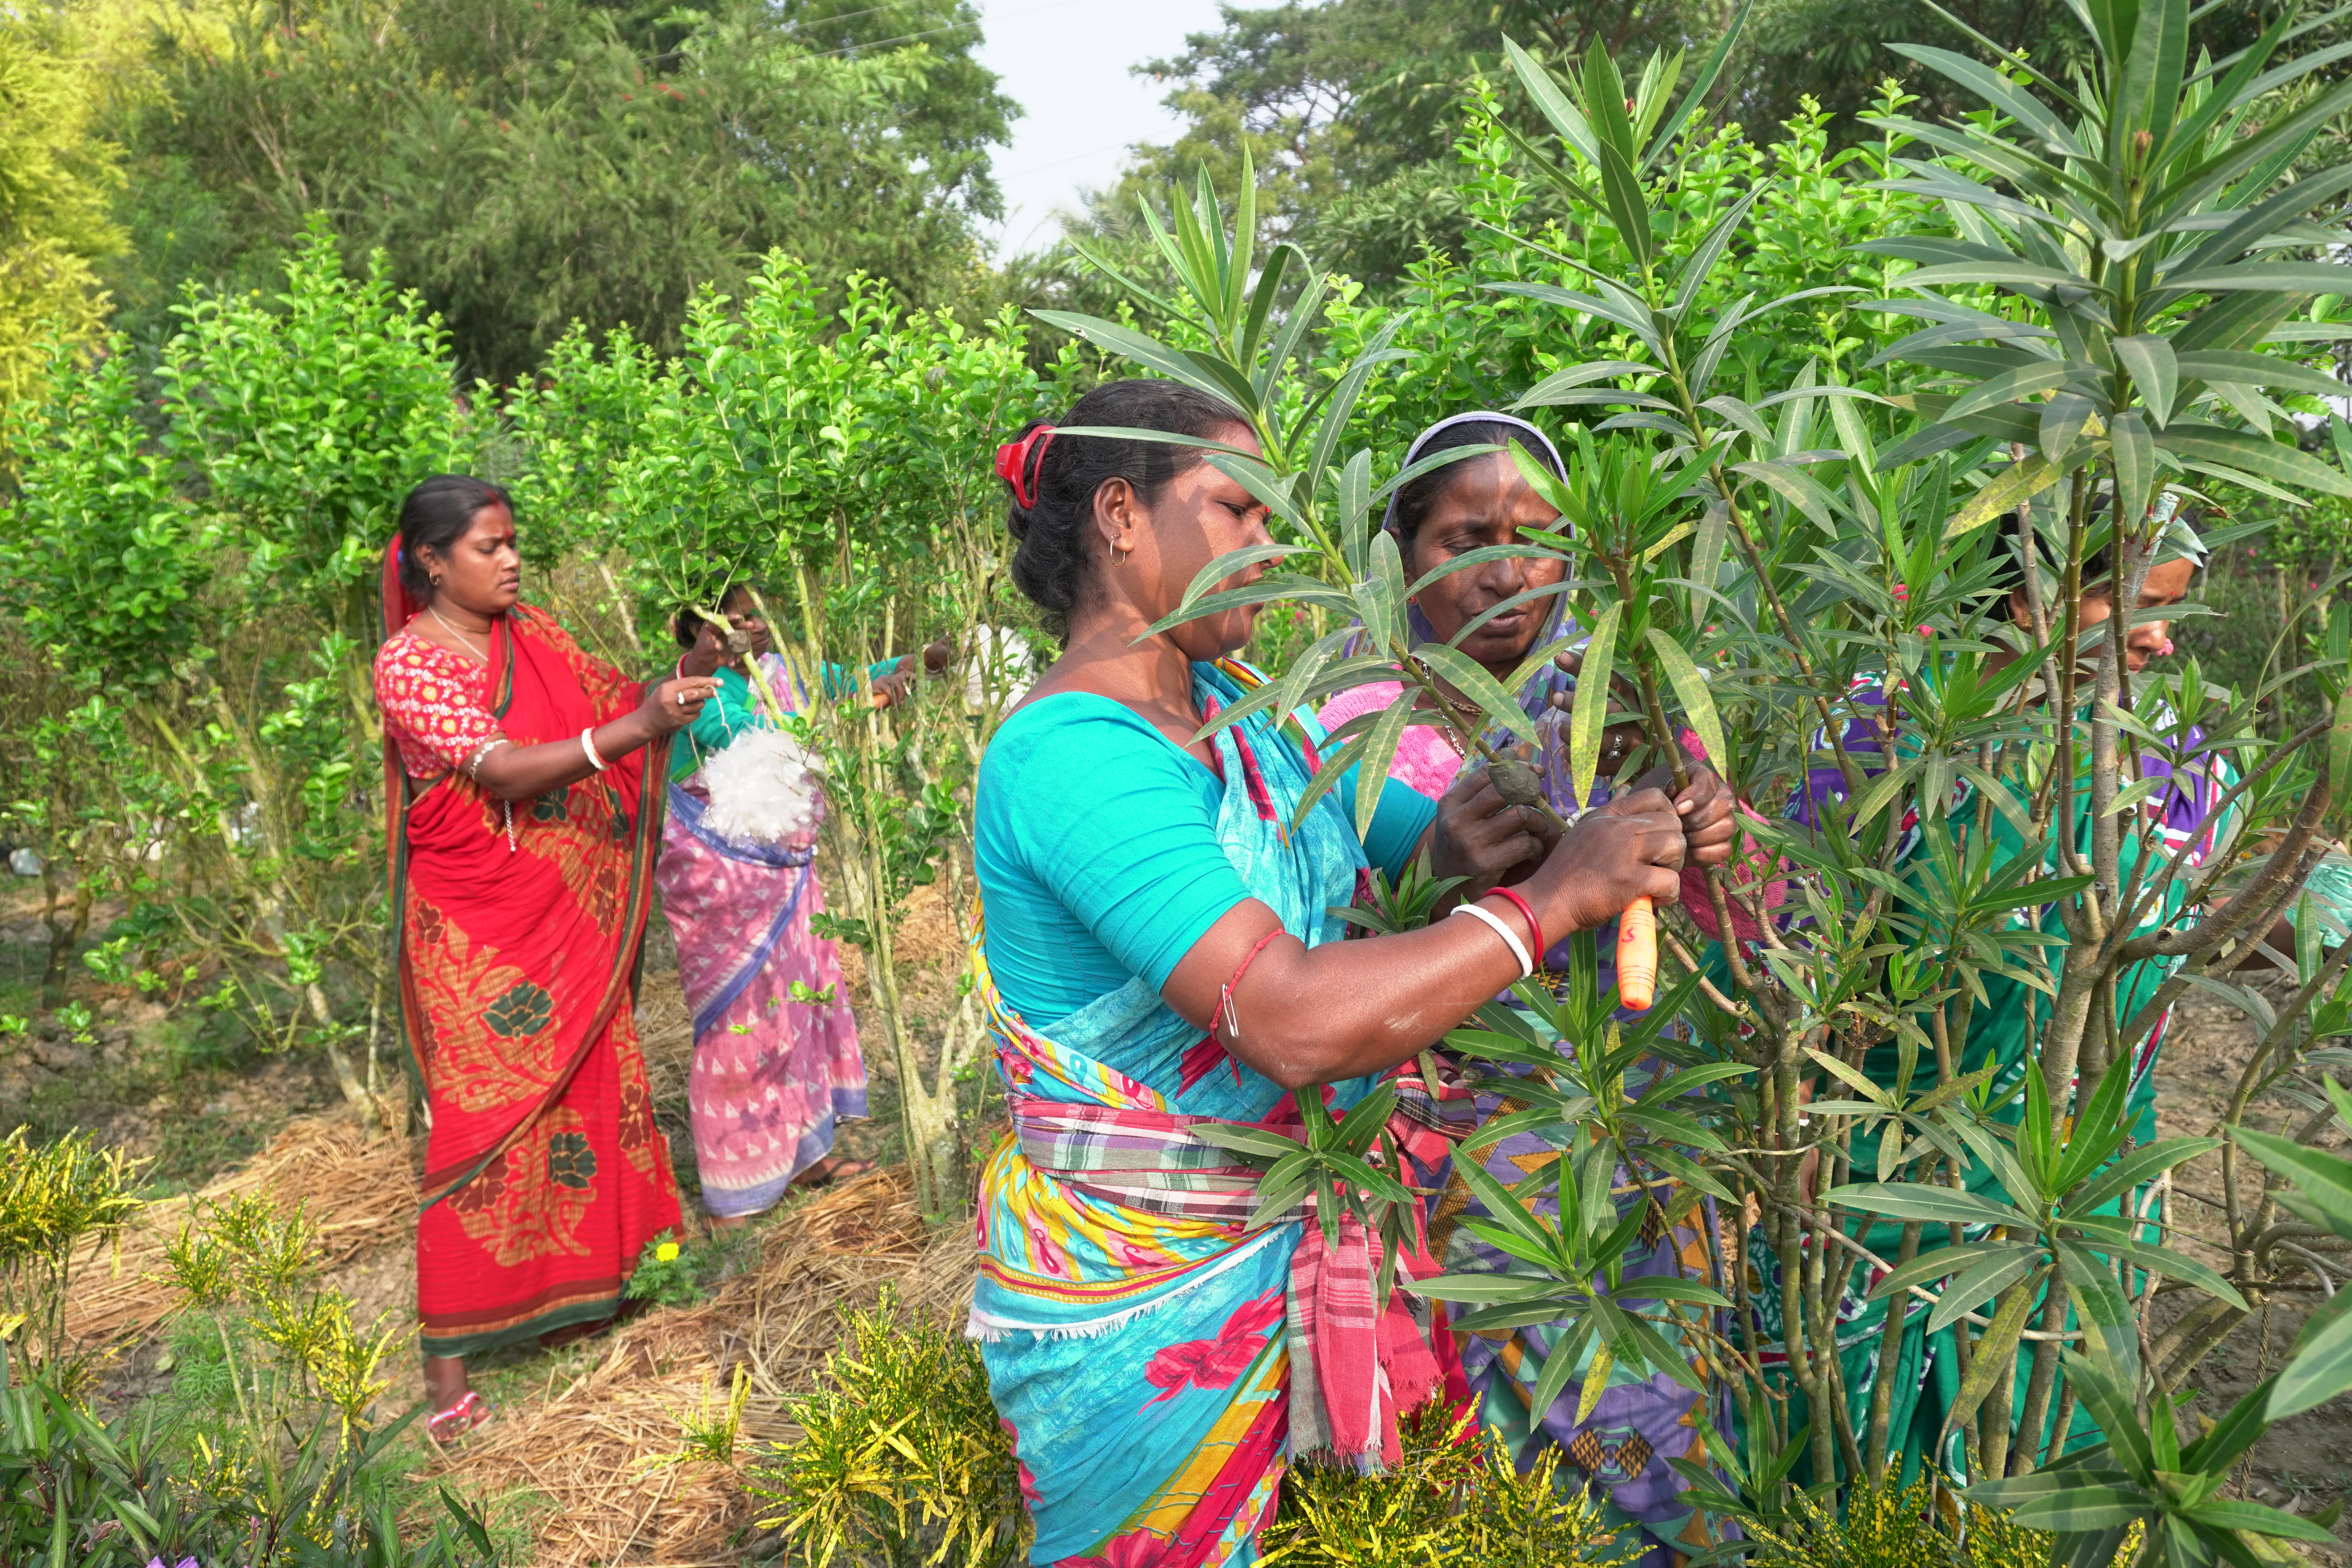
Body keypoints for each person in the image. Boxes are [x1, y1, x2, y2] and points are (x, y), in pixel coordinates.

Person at [966, 379, 1731, 1564]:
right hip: (1157, 1295)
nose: (1272, 550)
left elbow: (1418, 859)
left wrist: (1627, 824)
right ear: (1121, 515)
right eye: (1239, 512)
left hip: (1310, 1232)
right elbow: (1286, 1018)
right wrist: (1551, 900)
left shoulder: (1241, 714)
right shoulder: (1072, 755)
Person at [1317, 412, 1742, 1567]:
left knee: (1650, 1410)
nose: (1508, 574)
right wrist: (1427, 871)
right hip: (1449, 1173)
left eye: (1539, 541)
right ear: (1404, 552)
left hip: (1630, 1139)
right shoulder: (1349, 721)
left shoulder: (1620, 694)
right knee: (1507, 1442)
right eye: (1467, 540)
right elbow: (1299, 955)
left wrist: (1710, 832)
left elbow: (1742, 922)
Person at [1767, 501, 2245, 1481]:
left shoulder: (2173, 758)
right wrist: (1795, 1127)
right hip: (1896, 1162)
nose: (2163, 640)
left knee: (2046, 1452)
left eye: (2175, 611)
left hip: (2081, 1173)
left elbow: (2202, 903)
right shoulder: (1882, 731)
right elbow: (1800, 942)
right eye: (2142, 606)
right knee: (1866, 1457)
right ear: (2036, 596)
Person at [374, 474, 722, 1444]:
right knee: (481, 1123)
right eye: (489, 547)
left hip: (563, 907)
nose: (512, 560)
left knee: (599, 1081)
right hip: (478, 927)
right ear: (432, 561)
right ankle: (447, 1370)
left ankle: (612, 1286)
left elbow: (617, 701)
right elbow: (500, 769)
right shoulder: (410, 663)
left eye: (513, 541)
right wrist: (640, 727)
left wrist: (690, 668)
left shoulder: (535, 634)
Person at [654, 584, 877, 1225]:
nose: (750, 627)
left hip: (788, 878)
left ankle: (804, 1157)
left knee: (798, 1008)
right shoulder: (697, 691)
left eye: (755, 614)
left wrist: (920, 665)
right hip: (725, 887)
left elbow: (851, 682)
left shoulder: (784, 673)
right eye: (734, 618)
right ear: (699, 629)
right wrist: (852, 712)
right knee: (742, 1025)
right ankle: (735, 1190)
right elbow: (740, 732)